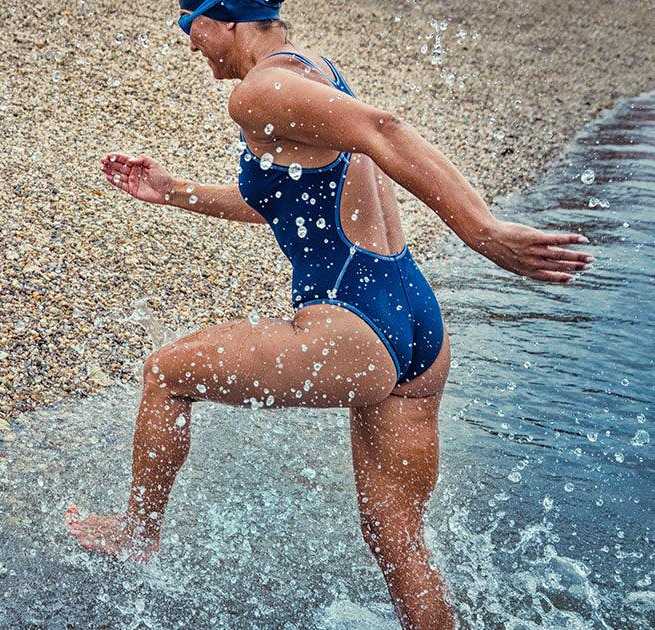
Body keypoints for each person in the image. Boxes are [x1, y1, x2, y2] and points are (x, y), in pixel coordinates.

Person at [64, 1, 594, 628]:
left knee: (164, 373)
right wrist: (175, 191)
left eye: (190, 25)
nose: (189, 43)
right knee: (397, 540)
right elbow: (282, 203)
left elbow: (387, 129)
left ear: (225, 17)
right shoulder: (313, 70)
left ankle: (137, 531)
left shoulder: (258, 92)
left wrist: (485, 233)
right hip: (416, 322)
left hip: (352, 322)